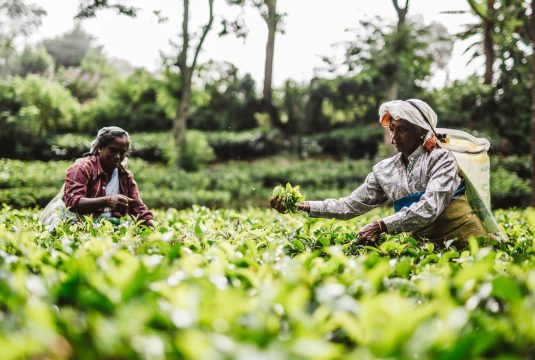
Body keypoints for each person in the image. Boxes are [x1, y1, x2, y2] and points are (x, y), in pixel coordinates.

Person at [271, 99, 488, 246]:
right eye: (392, 129)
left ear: (421, 131)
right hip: (426, 245)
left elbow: (430, 207)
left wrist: (382, 225)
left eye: (402, 129)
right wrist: (300, 206)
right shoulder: (386, 170)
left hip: (466, 239)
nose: (394, 137)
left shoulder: (441, 159)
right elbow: (349, 205)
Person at [41, 126, 154, 228]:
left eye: (122, 152)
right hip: (69, 221)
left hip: (101, 226)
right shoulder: (82, 167)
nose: (117, 156)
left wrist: (157, 231)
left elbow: (138, 208)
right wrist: (108, 201)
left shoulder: (125, 176)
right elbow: (73, 202)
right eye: (113, 150)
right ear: (100, 147)